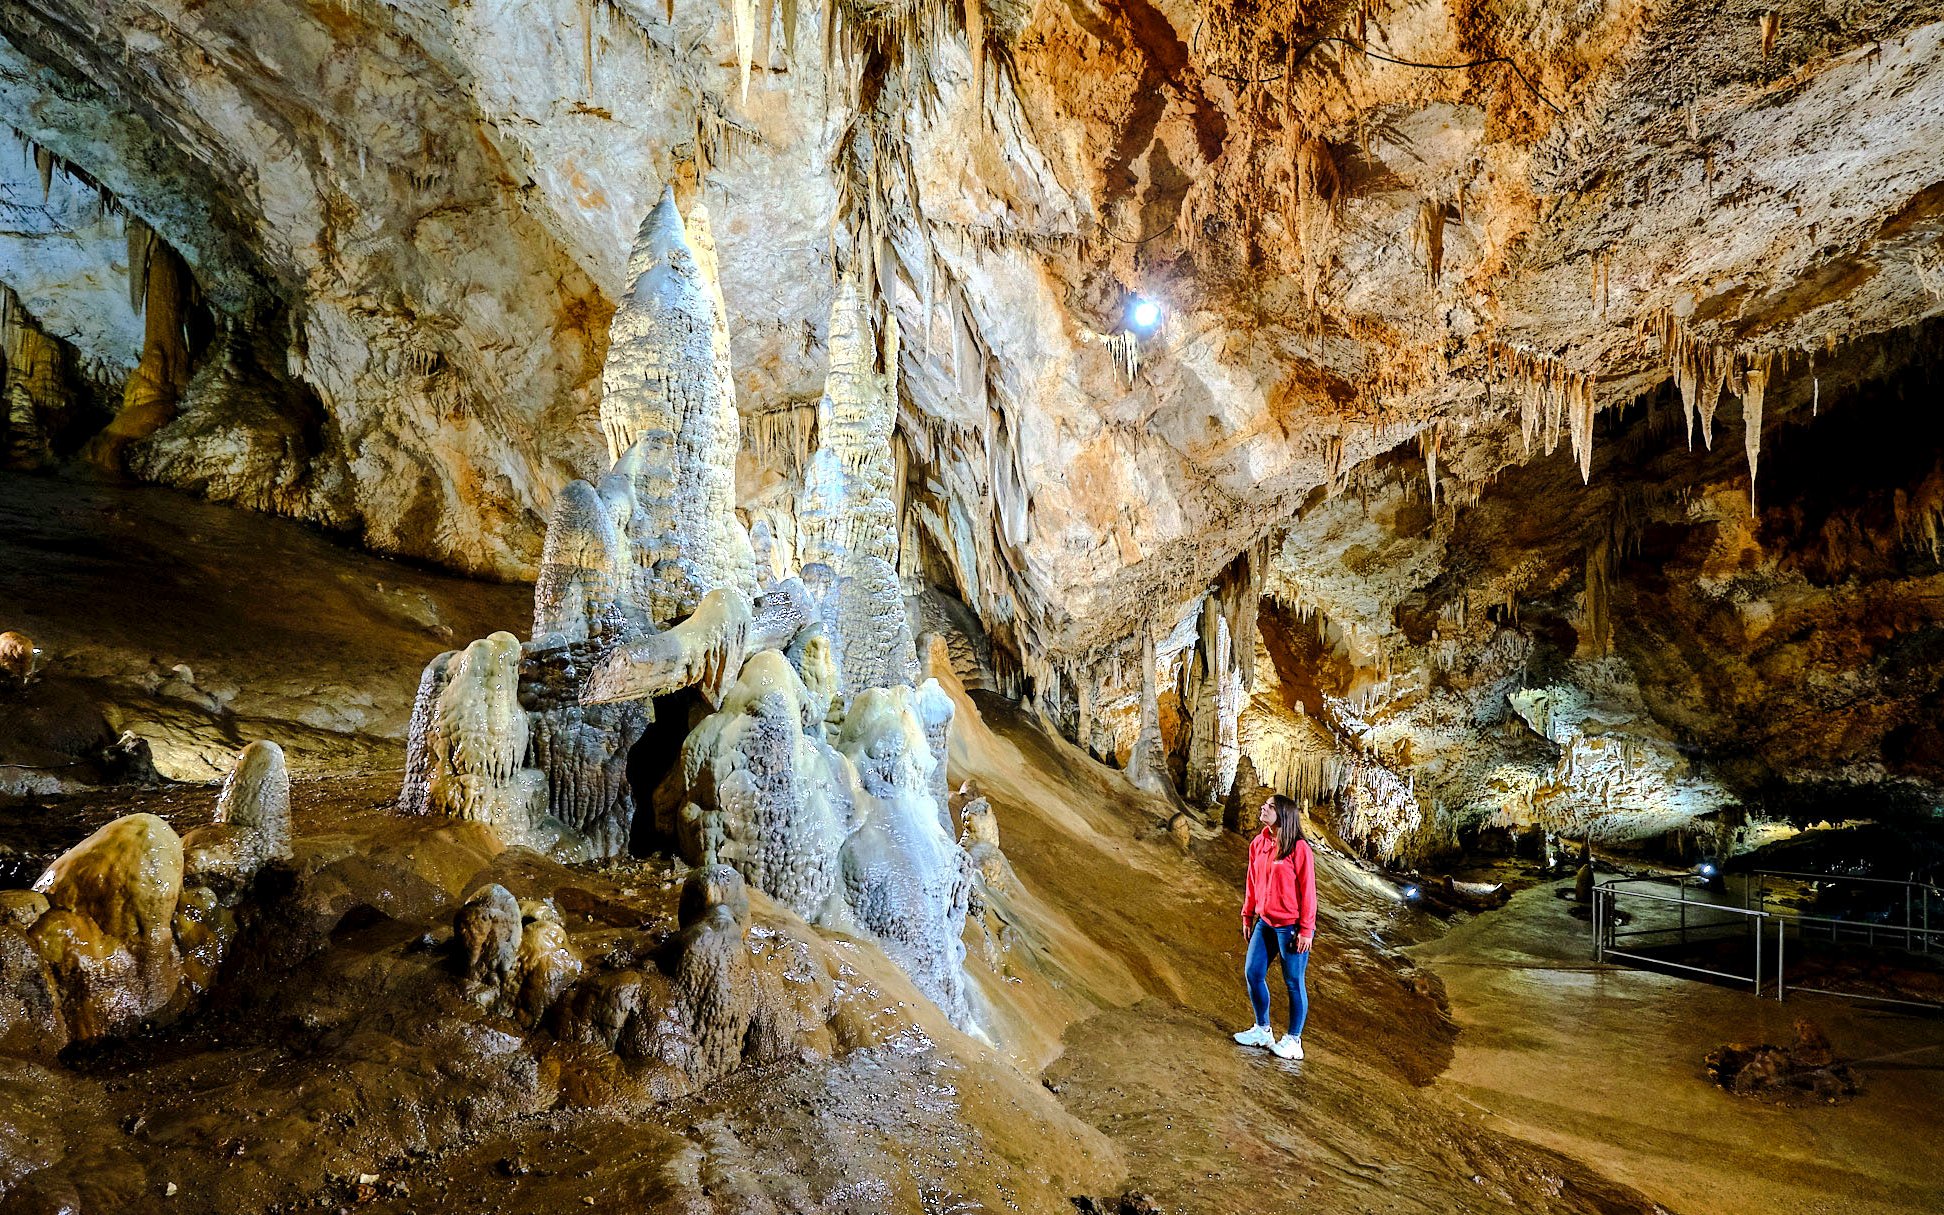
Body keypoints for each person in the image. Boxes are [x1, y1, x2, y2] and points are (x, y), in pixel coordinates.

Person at [1232, 794, 1316, 1061]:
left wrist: (1307, 929)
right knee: (1253, 973)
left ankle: (1293, 1040)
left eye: (1269, 807)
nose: (1263, 808)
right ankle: (1262, 1029)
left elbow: (1308, 891)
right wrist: (1247, 915)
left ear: (1283, 814)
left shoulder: (1298, 848)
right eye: (1264, 806)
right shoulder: (1258, 843)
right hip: (1265, 922)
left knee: (1293, 982)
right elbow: (1252, 881)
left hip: (1290, 926)